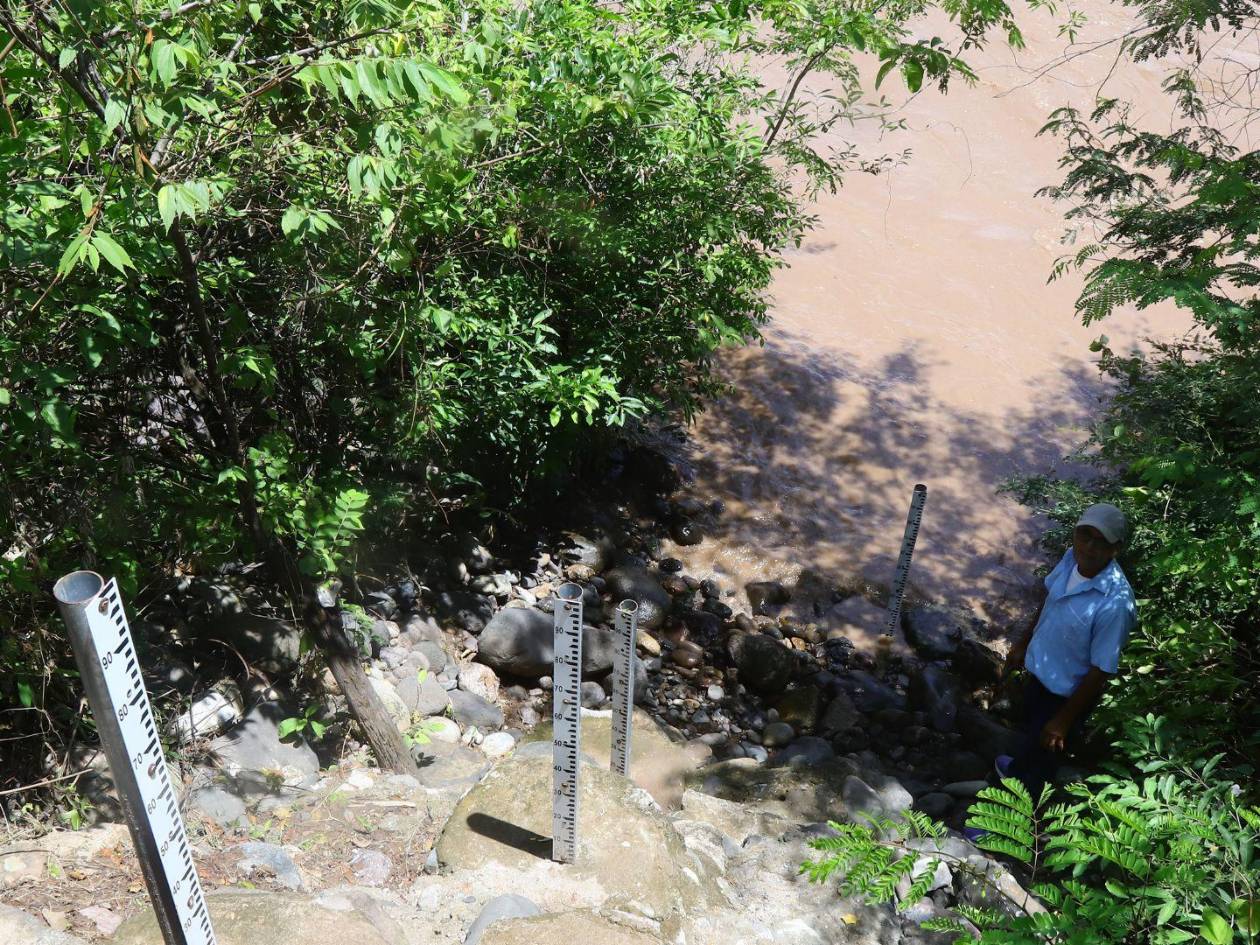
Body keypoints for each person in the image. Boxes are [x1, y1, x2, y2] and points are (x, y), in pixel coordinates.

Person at [993, 503, 1138, 800]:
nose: (1089, 547)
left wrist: (1063, 721)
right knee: (1030, 736)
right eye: (1085, 535)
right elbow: (1050, 600)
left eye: (1101, 541)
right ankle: (1017, 769)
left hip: (1065, 697)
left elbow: (1101, 670)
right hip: (1039, 673)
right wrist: (1023, 643)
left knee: (1043, 759)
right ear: (1075, 533)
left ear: (1116, 549)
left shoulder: (1115, 604)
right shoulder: (1071, 558)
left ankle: (1018, 811)